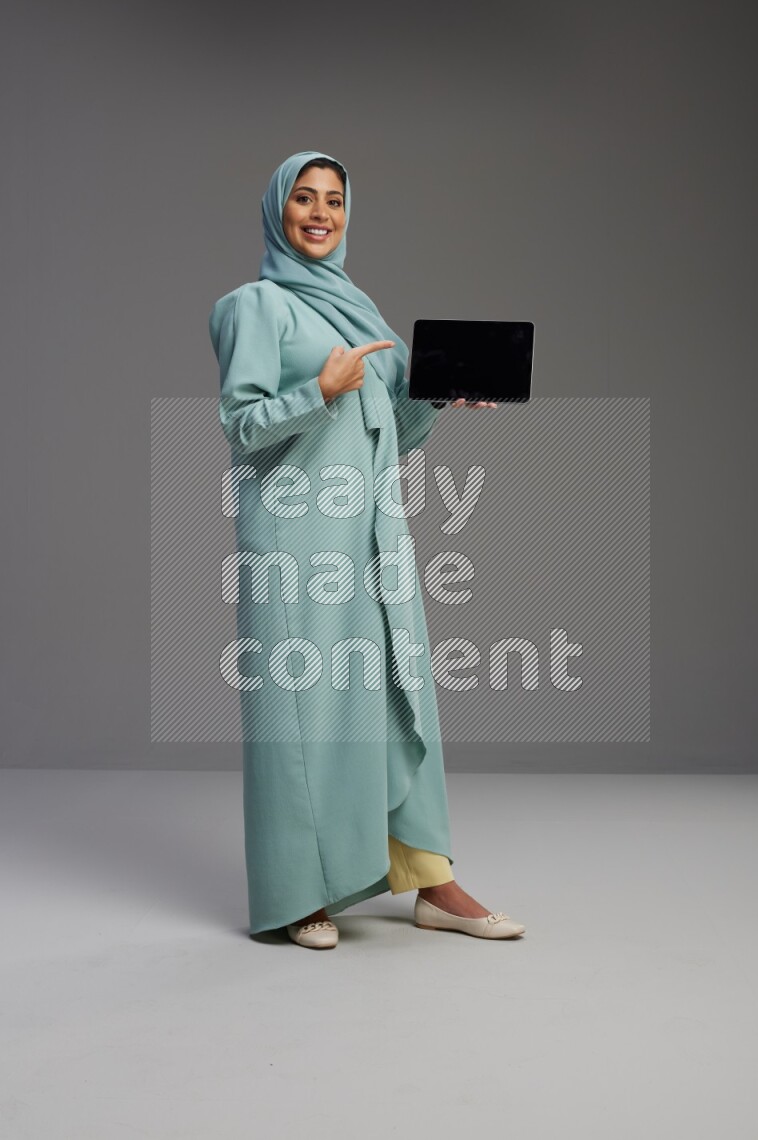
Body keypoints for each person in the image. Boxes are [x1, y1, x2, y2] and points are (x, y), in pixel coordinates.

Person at [209, 150, 525, 949]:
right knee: (302, 713)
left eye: (335, 202)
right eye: (304, 200)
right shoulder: (254, 306)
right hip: (293, 539)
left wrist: (439, 399)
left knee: (395, 694)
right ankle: (297, 893)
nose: (320, 214)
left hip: (372, 529)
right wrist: (318, 390)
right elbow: (241, 426)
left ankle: (429, 880)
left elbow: (396, 436)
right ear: (278, 210)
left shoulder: (362, 311)